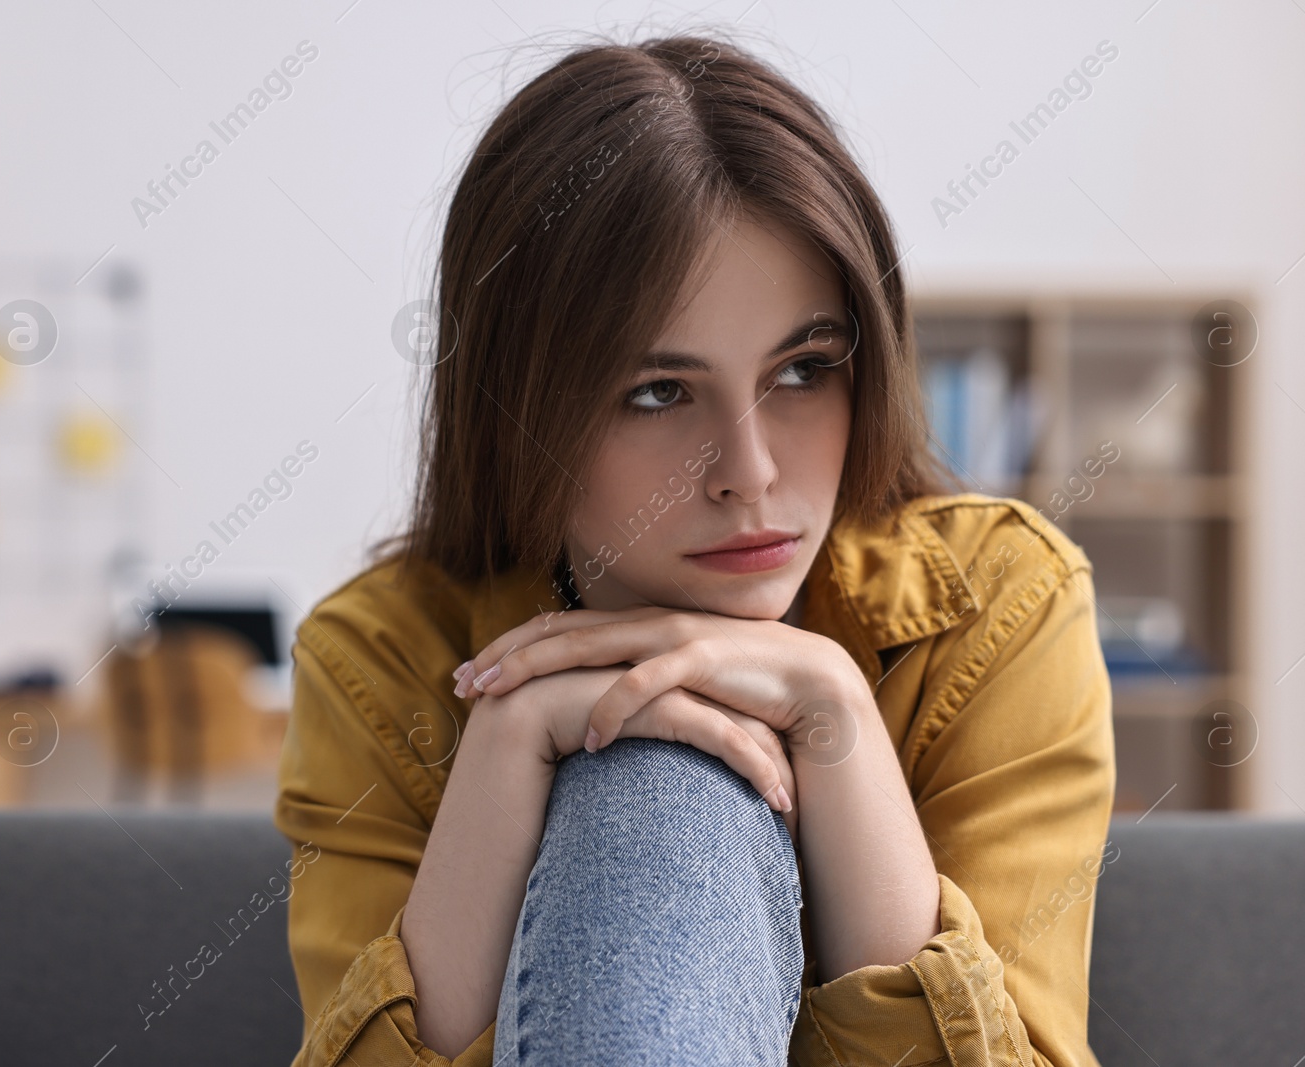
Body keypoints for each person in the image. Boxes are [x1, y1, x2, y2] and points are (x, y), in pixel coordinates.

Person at [274, 30, 1114, 1067]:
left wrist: (837, 715)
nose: (749, 472)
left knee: (659, 774)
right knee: (651, 768)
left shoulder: (1001, 601)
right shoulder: (380, 654)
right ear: (517, 412)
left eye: (805, 368)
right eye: (659, 392)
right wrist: (508, 747)